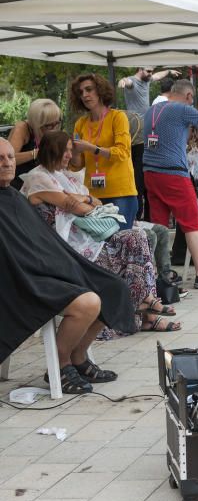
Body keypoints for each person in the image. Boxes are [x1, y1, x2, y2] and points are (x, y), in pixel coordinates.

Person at [0, 138, 133, 394]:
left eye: (10, 157)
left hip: (45, 270)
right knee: (88, 302)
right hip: (21, 281)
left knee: (113, 287)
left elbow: (42, 241)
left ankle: (78, 356)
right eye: (0, 159)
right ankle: (59, 367)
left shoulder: (14, 197)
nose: (7, 163)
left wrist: (62, 265)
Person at [21, 132, 181, 335]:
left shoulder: (63, 177)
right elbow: (79, 208)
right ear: (53, 150)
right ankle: (145, 314)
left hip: (86, 238)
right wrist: (83, 201)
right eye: (66, 150)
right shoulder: (38, 178)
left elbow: (95, 203)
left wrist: (82, 199)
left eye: (71, 150)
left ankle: (145, 301)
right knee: (135, 243)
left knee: (137, 236)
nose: (70, 155)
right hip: (66, 250)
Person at [142, 79, 198, 288]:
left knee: (159, 225)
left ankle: (160, 275)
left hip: (150, 173)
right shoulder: (182, 109)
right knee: (192, 223)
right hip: (173, 173)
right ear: (189, 96)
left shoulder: (152, 111)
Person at [68, 73, 139, 229]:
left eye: (89, 89)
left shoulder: (118, 117)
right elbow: (78, 165)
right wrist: (73, 151)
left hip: (121, 194)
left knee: (120, 243)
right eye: (81, 92)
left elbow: (122, 153)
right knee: (99, 247)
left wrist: (90, 148)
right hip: (93, 196)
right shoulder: (80, 123)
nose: (85, 95)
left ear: (100, 91)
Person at [8, 98, 62, 191]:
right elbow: (8, 158)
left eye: (56, 123)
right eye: (48, 125)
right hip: (17, 187)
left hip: (37, 185)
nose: (53, 128)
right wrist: (36, 153)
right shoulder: (22, 128)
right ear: (36, 122)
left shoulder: (49, 132)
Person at [118, 68, 182, 115]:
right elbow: (128, 82)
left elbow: (157, 75)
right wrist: (122, 81)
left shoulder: (147, 80)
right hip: (135, 122)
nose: (150, 74)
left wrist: (169, 71)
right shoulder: (132, 80)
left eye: (152, 72)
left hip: (146, 120)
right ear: (140, 70)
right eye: (148, 71)